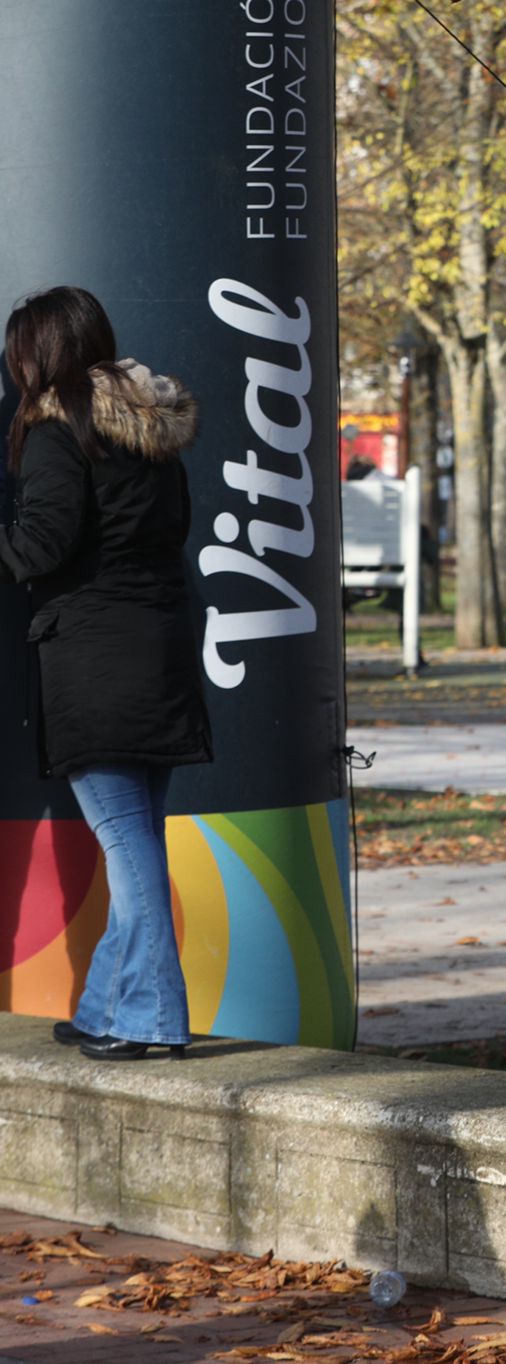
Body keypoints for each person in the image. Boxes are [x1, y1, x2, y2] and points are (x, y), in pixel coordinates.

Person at [0, 286, 211, 1061]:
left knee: (128, 848)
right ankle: (105, 1009)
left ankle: (152, 1017)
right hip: (158, 650)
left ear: (43, 353)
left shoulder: (61, 431)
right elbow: (173, 534)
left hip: (95, 662)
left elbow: (41, 544)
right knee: (139, 838)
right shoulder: (150, 434)